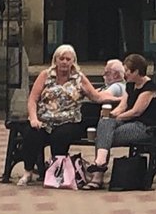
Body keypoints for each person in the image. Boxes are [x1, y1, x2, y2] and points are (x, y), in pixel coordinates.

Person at [21, 44, 102, 185]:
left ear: (73, 61)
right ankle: (28, 171)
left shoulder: (79, 77)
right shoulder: (45, 75)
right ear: (55, 60)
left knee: (61, 135)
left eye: (68, 59)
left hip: (69, 120)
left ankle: (56, 172)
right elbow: (32, 99)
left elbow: (96, 96)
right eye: (61, 58)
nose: (64, 62)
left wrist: (120, 98)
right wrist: (34, 119)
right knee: (31, 133)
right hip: (44, 119)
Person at [85, 54, 156, 186]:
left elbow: (135, 112)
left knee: (102, 136)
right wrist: (109, 115)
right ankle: (100, 162)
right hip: (127, 121)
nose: (124, 73)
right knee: (105, 123)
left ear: (136, 71)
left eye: (127, 70)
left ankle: (98, 176)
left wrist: (115, 118)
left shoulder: (149, 88)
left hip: (144, 126)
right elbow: (122, 106)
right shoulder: (130, 86)